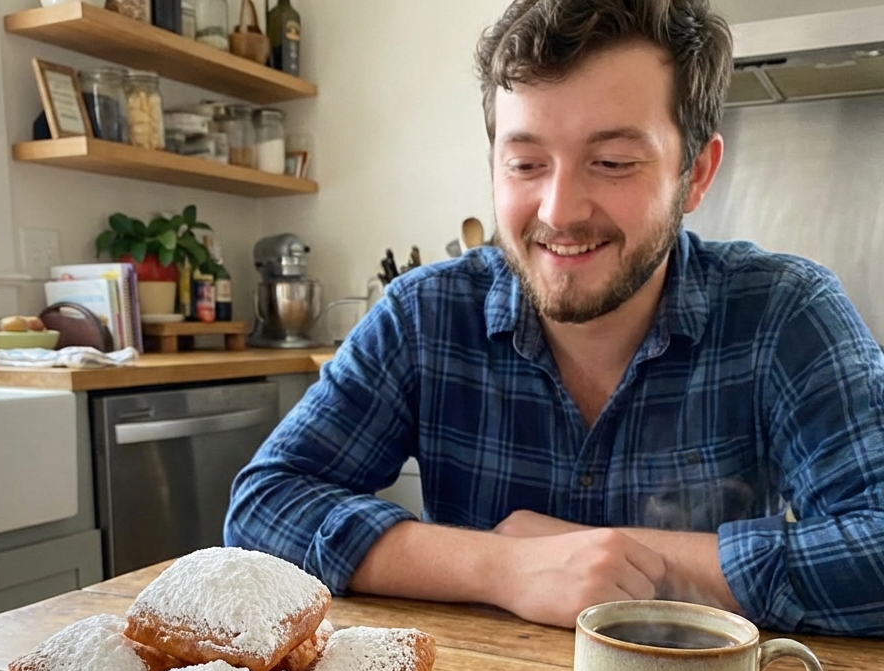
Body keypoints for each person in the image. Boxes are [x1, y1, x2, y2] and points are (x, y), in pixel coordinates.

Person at [225, 0, 884, 636]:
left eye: (612, 163)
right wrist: (503, 567)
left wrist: (618, 558)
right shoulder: (424, 315)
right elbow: (264, 507)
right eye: (526, 165)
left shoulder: (786, 312)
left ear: (696, 174)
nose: (559, 211)